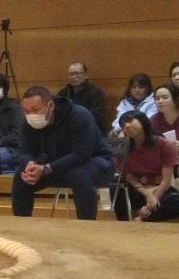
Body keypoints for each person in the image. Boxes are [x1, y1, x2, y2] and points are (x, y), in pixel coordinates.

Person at [11, 86, 115, 220]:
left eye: (36, 110)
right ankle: (22, 222)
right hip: (56, 166)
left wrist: (46, 168)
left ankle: (87, 224)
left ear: (51, 106)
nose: (31, 115)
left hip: (94, 163)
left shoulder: (79, 115)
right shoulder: (28, 122)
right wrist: (29, 163)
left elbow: (81, 154)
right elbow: (24, 150)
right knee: (22, 174)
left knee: (79, 174)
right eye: (26, 111)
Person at [114, 112, 179, 222]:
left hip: (159, 188)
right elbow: (129, 176)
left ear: (143, 121)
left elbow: (167, 179)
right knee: (116, 184)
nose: (127, 126)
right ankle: (123, 221)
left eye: (130, 121)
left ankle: (143, 219)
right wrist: (146, 193)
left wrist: (153, 198)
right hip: (137, 189)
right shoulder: (123, 148)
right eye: (123, 125)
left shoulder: (165, 145)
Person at [58, 62, 112, 133]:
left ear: (86, 75)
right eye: (71, 74)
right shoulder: (63, 93)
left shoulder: (96, 93)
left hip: (90, 130)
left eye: (77, 73)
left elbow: (96, 117)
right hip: (67, 131)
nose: (74, 77)